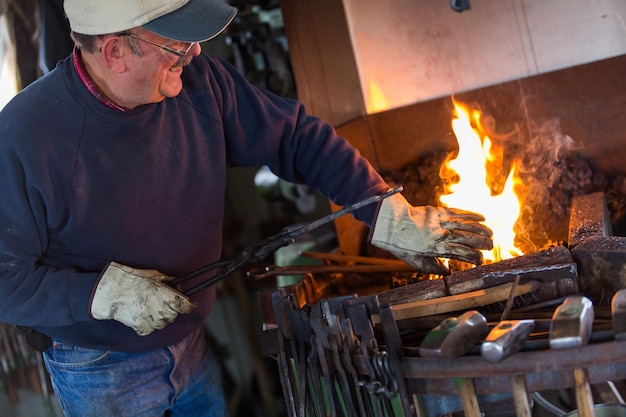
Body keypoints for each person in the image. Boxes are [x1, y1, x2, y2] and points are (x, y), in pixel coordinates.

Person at [0, 0, 493, 416]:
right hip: (98, 369)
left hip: (191, 342)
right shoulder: (24, 138)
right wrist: (98, 295)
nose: (193, 53)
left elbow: (296, 138)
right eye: (176, 43)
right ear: (114, 51)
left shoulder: (200, 85)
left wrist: (383, 208)